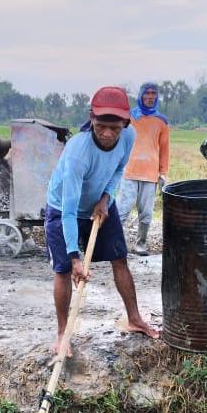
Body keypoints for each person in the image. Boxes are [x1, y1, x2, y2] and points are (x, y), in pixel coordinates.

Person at [45, 86, 159, 349]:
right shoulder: (77, 152)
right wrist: (75, 257)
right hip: (64, 209)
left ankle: (134, 318)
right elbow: (69, 210)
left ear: (125, 123)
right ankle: (63, 333)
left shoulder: (129, 135)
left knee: (120, 257)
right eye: (101, 127)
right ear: (91, 119)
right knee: (63, 270)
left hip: (101, 202)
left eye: (114, 128)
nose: (107, 134)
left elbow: (118, 169)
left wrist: (106, 198)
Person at [116, 82, 170, 256]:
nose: (150, 97)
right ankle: (115, 244)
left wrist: (163, 172)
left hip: (150, 173)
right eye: (147, 93)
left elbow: (164, 148)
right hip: (129, 171)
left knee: (146, 213)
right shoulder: (129, 117)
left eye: (154, 93)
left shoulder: (161, 121)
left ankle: (141, 244)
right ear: (141, 95)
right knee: (122, 210)